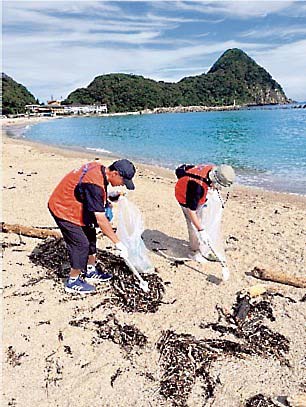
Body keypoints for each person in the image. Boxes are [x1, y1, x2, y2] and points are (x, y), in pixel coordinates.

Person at [48, 159, 136, 294]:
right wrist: (118, 243)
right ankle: (72, 281)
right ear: (115, 173)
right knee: (80, 244)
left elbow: (88, 189)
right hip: (63, 208)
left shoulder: (99, 168)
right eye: (123, 181)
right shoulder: (94, 184)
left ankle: (90, 271)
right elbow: (101, 220)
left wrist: (110, 197)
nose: (122, 185)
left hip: (77, 203)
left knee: (90, 235)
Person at [175, 163, 235, 263]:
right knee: (192, 225)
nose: (219, 189)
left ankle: (203, 245)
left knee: (201, 218)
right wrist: (201, 230)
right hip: (184, 197)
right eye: (219, 186)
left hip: (194, 190)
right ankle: (195, 250)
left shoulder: (212, 169)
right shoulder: (197, 187)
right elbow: (191, 211)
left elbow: (186, 168)